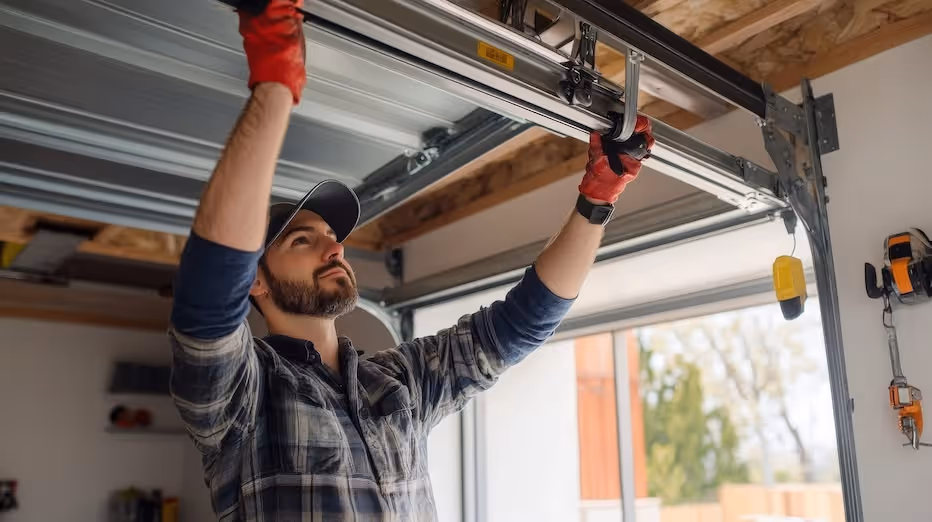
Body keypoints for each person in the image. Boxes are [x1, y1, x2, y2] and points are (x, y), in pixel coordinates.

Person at [167, 0, 655, 520]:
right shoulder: (245, 396)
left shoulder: (397, 381)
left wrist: (599, 195)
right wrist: (275, 82)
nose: (335, 247)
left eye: (333, 237)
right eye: (302, 241)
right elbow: (208, 296)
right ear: (255, 282)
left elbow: (522, 324)